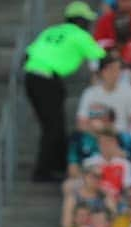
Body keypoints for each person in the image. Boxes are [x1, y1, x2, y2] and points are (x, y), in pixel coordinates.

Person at [23, 3, 106, 182]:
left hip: (33, 77)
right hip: (48, 79)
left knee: (55, 125)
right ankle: (43, 171)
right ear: (81, 21)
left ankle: (59, 165)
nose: (89, 26)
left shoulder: (51, 31)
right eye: (87, 21)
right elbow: (100, 55)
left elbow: (28, 53)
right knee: (53, 127)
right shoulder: (79, 35)